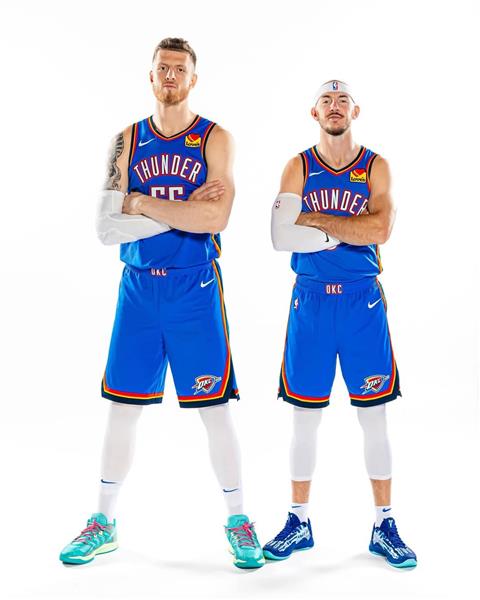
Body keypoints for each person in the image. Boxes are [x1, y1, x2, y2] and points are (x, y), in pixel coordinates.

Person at [59, 37, 264, 570]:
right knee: (122, 406)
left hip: (194, 288)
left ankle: (239, 520)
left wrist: (140, 203)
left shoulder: (215, 138)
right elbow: (107, 230)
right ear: (150, 76)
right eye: (162, 68)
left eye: (180, 69)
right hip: (138, 288)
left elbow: (216, 219)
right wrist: (181, 209)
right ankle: (102, 522)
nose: (170, 75)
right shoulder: (125, 140)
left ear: (193, 79)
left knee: (214, 408)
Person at [265, 80, 416, 569]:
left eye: (342, 100)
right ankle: (298, 520)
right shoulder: (298, 166)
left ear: (356, 110)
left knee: (374, 416)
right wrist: (347, 228)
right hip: (310, 302)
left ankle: (384, 524)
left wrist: (315, 220)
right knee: (304, 418)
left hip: (361, 304)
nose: (335, 106)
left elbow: (381, 229)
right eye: (326, 100)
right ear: (314, 112)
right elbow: (280, 237)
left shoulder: (376, 165)